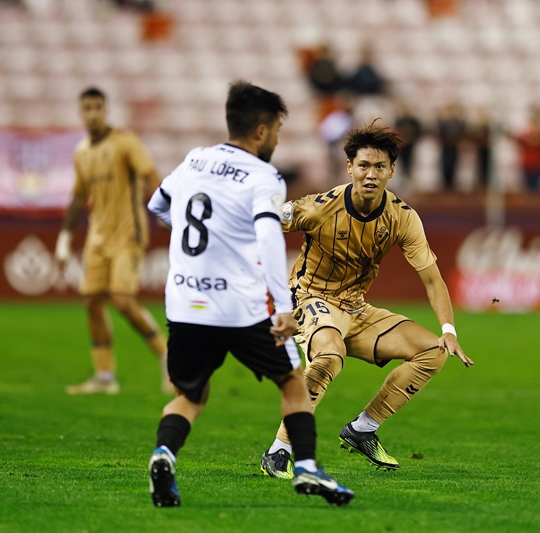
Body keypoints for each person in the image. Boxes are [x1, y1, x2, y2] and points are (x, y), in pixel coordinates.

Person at [145, 81, 354, 507]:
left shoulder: (194, 160)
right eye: (277, 130)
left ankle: (164, 453)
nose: (277, 139)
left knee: (190, 396)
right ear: (260, 130)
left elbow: (157, 206)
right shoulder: (263, 176)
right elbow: (269, 237)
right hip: (240, 308)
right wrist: (285, 306)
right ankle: (308, 469)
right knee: (292, 382)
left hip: (185, 302)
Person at [259, 122, 473, 480]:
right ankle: (279, 451)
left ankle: (363, 428)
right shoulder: (318, 208)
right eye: (363, 166)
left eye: (379, 167)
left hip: (356, 307)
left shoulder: (402, 217)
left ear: (391, 170)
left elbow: (433, 280)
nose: (370, 174)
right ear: (349, 168)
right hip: (312, 297)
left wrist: (448, 330)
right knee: (328, 357)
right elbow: (265, 222)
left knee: (433, 351)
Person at [56, 87, 170, 395]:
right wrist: (65, 238)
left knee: (121, 299)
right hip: (97, 236)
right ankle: (105, 377)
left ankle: (166, 355)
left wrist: (163, 211)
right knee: (92, 302)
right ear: (80, 112)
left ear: (105, 110)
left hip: (128, 234)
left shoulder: (125, 142)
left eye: (97, 107)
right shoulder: (81, 152)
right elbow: (79, 197)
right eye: (87, 108)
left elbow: (151, 175)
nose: (92, 113)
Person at [509, 110, 540, 193]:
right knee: (528, 187)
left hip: (539, 165)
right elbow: (518, 141)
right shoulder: (526, 135)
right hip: (527, 164)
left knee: (537, 187)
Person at [437, 102, 466, 190]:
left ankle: (452, 183)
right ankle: (446, 183)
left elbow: (461, 132)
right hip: (446, 147)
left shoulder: (458, 122)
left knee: (454, 164)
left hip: (454, 147)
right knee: (445, 164)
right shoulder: (443, 123)